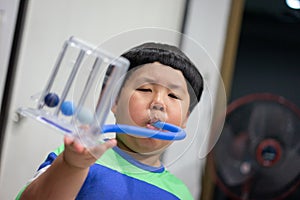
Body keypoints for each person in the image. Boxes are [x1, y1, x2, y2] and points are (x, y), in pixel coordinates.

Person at [17, 42, 204, 199]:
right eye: (145, 89)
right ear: (114, 101)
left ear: (185, 118)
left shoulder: (180, 194)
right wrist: (72, 166)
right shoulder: (78, 156)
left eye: (173, 95)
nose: (158, 103)